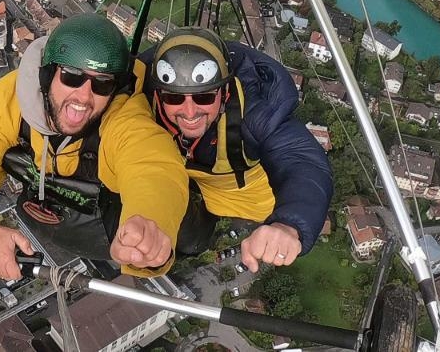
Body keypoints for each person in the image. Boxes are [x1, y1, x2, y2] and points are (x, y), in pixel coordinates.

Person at [0, 14, 189, 281]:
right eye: (71, 76)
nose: (84, 96)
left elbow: (152, 167)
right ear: (47, 74)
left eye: (102, 83)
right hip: (50, 218)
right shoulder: (12, 99)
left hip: (104, 231)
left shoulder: (123, 118)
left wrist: (149, 222)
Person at [140, 26, 332, 272]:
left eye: (204, 97)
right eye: (175, 98)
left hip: (252, 204)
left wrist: (288, 225)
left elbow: (300, 159)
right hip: (196, 187)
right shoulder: (144, 103)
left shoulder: (253, 112)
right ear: (159, 93)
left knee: (197, 241)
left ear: (224, 90)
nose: (189, 113)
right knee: (183, 240)